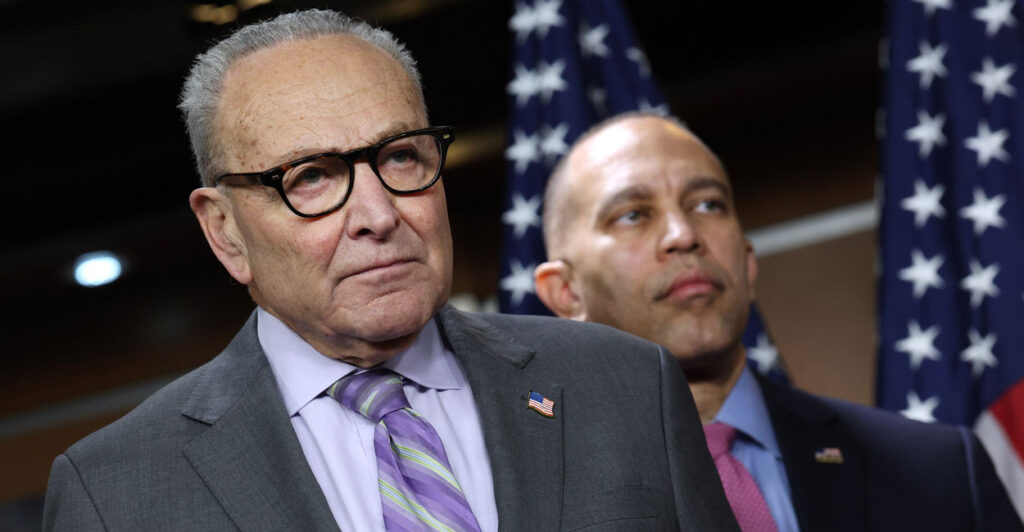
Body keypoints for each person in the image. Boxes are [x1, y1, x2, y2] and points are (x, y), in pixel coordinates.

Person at [41, 10, 739, 532]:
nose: (378, 213)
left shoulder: (625, 386)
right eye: (310, 177)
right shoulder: (116, 493)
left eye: (401, 157)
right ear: (224, 230)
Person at [534, 112, 1023, 532]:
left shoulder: (939, 470)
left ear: (747, 263)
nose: (684, 236)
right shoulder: (519, 500)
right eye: (633, 214)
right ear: (566, 292)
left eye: (708, 204)